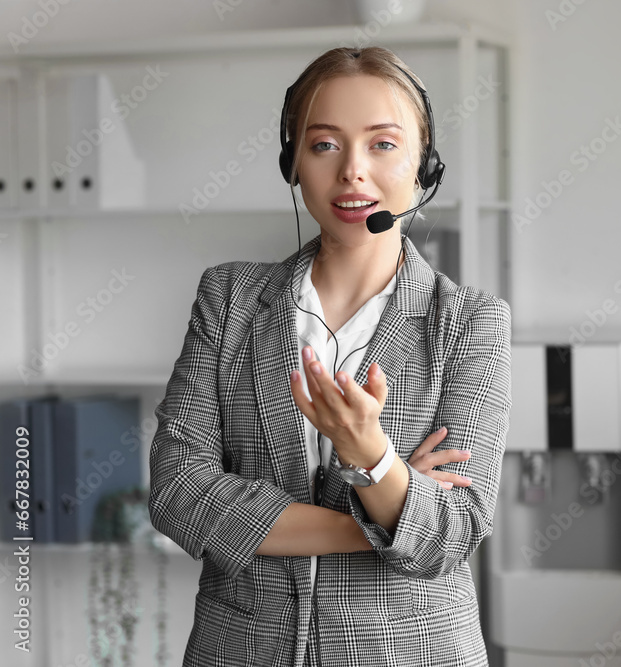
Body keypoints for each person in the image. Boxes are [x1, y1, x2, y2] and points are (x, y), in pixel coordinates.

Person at [148, 46, 511, 667]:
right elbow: (179, 492)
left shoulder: (470, 322)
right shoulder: (229, 299)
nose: (353, 172)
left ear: (425, 164)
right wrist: (386, 507)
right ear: (292, 164)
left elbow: (452, 533)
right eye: (324, 145)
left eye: (383, 144)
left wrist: (368, 451)